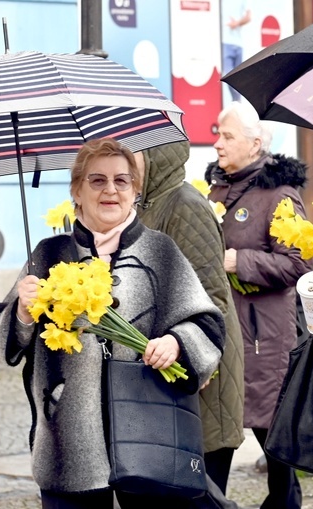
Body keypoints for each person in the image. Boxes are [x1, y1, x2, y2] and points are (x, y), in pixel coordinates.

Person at [0, 138, 225, 509]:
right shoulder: (50, 255)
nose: (110, 190)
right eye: (97, 181)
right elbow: (5, 345)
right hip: (69, 439)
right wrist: (22, 311)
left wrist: (177, 343)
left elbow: (207, 324)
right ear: (77, 191)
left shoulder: (160, 252)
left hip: (149, 432)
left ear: (135, 191)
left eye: (122, 181)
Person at [205, 101, 312, 509]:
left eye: (227, 136)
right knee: (217, 437)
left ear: (255, 144)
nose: (217, 144)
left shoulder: (279, 194)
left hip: (263, 338)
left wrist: (240, 261)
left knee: (274, 445)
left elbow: (299, 262)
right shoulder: (215, 190)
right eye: (217, 133)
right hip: (224, 331)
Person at [135, 141, 246, 499]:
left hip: (200, 381)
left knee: (200, 499)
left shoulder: (184, 206)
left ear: (153, 155)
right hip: (168, 380)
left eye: (129, 154)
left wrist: (190, 355)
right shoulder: (144, 206)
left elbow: (211, 300)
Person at [221, 0, 251, 101]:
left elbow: (248, 17)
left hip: (238, 42)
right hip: (224, 41)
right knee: (229, 76)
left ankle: (237, 104)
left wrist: (237, 23)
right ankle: (236, 104)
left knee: (237, 78)